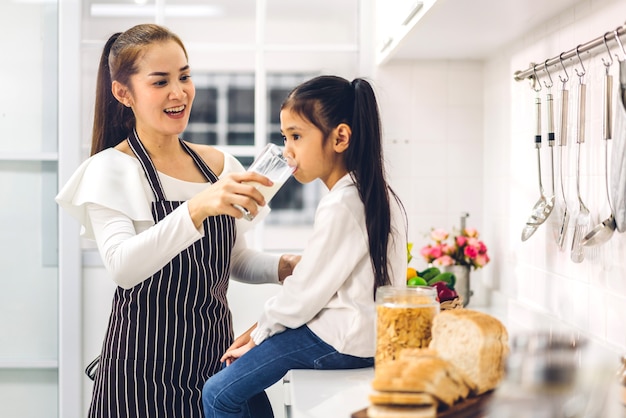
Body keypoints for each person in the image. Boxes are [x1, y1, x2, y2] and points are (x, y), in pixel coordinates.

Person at [55, 23, 298, 418]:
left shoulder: (218, 165)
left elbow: (231, 260)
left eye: (184, 76)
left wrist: (285, 267)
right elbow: (123, 266)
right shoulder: (109, 170)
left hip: (216, 362)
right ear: (123, 93)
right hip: (140, 375)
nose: (178, 92)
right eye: (160, 81)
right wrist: (198, 207)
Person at [202, 75, 408, 417]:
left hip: (340, 340)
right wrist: (260, 331)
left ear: (340, 137)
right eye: (285, 137)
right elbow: (316, 287)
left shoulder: (342, 203)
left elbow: (304, 295)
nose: (288, 151)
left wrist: (259, 336)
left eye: (296, 136)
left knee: (218, 393)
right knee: (236, 384)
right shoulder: (374, 195)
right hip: (365, 338)